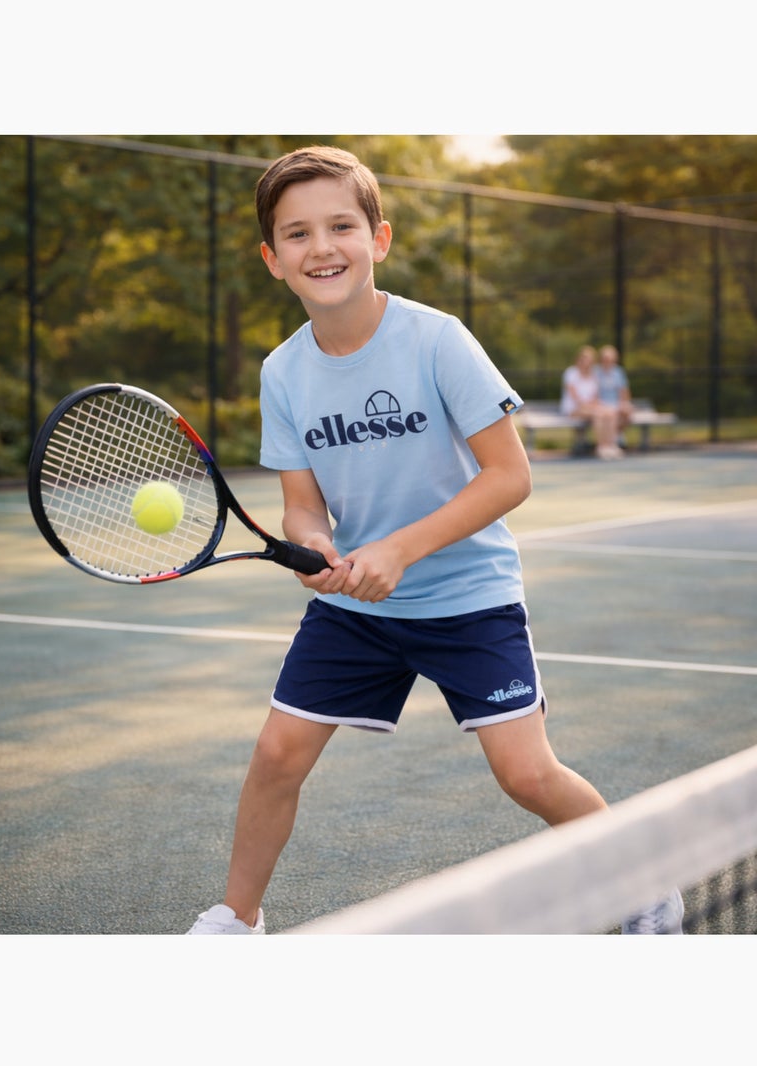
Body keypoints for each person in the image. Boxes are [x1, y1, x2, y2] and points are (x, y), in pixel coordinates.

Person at [186, 146, 683, 936]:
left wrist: (400, 550)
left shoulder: (437, 339)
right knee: (277, 755)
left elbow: (508, 475)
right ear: (272, 259)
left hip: (468, 596)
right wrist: (316, 549)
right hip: (361, 612)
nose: (322, 248)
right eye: (298, 234)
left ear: (378, 238)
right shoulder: (282, 374)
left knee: (526, 774)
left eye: (341, 226)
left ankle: (645, 883)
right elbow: (301, 508)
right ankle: (235, 919)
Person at [560, 345, 624, 460]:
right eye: (583, 360)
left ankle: (611, 444)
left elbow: (595, 396)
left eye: (589, 360)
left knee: (610, 412)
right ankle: (601, 447)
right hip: (573, 409)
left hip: (589, 408)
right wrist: (589, 406)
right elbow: (575, 397)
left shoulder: (593, 375)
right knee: (598, 414)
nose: (586, 363)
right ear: (578, 360)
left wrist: (595, 405)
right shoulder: (571, 373)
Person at [596, 344, 634, 437]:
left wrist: (624, 403)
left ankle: (617, 434)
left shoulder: (618, 372)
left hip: (616, 403)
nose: (607, 361)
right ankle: (611, 438)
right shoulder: (596, 372)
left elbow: (624, 391)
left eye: (609, 359)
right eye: (605, 359)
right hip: (602, 404)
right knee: (609, 413)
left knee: (627, 411)